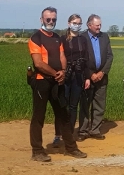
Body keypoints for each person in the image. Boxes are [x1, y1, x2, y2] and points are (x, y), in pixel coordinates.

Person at [28, 7, 86, 162]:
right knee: (38, 117)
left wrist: (63, 72)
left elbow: (62, 56)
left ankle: (71, 148)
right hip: (41, 81)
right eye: (48, 19)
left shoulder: (56, 38)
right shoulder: (36, 38)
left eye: (53, 19)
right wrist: (56, 73)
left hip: (57, 82)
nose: (51, 22)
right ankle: (37, 151)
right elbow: (38, 63)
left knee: (63, 115)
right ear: (41, 19)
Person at [52, 14, 92, 147]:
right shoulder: (63, 39)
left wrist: (87, 77)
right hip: (66, 75)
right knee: (62, 106)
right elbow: (58, 57)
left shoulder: (83, 39)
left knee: (74, 106)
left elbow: (86, 59)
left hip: (78, 75)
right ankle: (58, 135)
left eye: (79, 23)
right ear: (69, 23)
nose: (77, 25)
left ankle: (69, 134)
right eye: (75, 23)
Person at [78, 14, 113, 141]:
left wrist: (102, 72)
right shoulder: (82, 37)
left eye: (100, 25)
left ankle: (95, 130)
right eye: (97, 25)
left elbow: (109, 56)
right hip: (87, 77)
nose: (99, 27)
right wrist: (90, 74)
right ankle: (83, 131)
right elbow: (81, 59)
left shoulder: (104, 37)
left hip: (101, 77)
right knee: (85, 105)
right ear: (89, 25)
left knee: (99, 105)